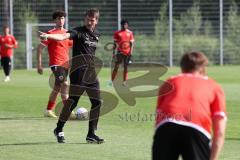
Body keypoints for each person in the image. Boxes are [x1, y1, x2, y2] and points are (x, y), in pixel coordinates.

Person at [39, 8, 104, 144]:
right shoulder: (77, 31)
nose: (89, 22)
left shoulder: (97, 34)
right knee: (73, 102)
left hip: (91, 72)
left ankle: (91, 134)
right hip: (78, 72)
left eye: (92, 20)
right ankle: (59, 128)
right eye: (87, 19)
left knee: (97, 102)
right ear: (85, 19)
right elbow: (62, 36)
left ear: (96, 21)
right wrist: (49, 36)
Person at [152, 51, 227, 160]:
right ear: (203, 68)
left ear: (182, 67)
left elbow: (159, 115)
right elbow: (220, 131)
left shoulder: (170, 81)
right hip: (196, 127)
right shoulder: (213, 86)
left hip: (166, 125)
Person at [37, 10, 73, 118]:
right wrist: (39, 65)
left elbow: (71, 48)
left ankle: (48, 110)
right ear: (54, 20)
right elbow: (39, 49)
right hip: (56, 63)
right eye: (59, 18)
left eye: (62, 18)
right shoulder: (50, 34)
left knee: (57, 88)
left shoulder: (67, 34)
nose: (61, 20)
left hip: (65, 64)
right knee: (65, 84)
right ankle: (68, 112)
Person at [111, 19, 134, 86]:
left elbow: (132, 44)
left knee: (126, 67)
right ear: (121, 25)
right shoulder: (117, 33)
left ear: (127, 25)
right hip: (120, 52)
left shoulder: (130, 33)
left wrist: (131, 53)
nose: (124, 25)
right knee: (116, 67)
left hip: (127, 53)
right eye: (123, 24)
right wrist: (113, 53)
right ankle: (111, 82)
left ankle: (124, 82)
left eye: (126, 24)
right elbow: (114, 44)